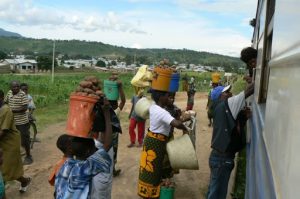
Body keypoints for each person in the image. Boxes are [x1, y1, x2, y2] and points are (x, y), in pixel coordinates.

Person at [54, 96, 113, 199]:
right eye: (95, 148)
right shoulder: (84, 169)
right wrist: (107, 114)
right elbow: (107, 145)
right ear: (88, 152)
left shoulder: (65, 166)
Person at [137, 89, 189, 199]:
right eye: (167, 95)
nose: (169, 97)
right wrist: (185, 125)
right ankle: (150, 194)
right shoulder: (162, 112)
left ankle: (149, 192)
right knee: (152, 169)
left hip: (154, 140)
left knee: (152, 168)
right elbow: (176, 124)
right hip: (156, 143)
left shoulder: (154, 107)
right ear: (161, 97)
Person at [206, 83, 254, 199]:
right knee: (217, 195)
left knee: (214, 191)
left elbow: (230, 125)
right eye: (226, 92)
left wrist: (242, 118)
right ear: (219, 96)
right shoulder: (227, 104)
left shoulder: (218, 107)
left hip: (218, 158)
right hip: (222, 160)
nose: (230, 94)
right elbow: (250, 90)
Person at [0, 89, 31, 194]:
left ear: (0, 98)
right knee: (5, 169)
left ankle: (24, 181)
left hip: (9, 143)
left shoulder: (6, 110)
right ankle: (24, 181)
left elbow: (3, 131)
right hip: (2, 143)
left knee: (7, 169)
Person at [4, 81, 32, 165]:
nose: (16, 88)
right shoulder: (9, 93)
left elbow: (24, 108)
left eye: (17, 87)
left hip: (22, 121)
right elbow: (5, 102)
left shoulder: (22, 94)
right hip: (11, 120)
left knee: (24, 139)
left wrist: (11, 111)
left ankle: (28, 156)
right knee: (10, 138)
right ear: (10, 88)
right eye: (14, 87)